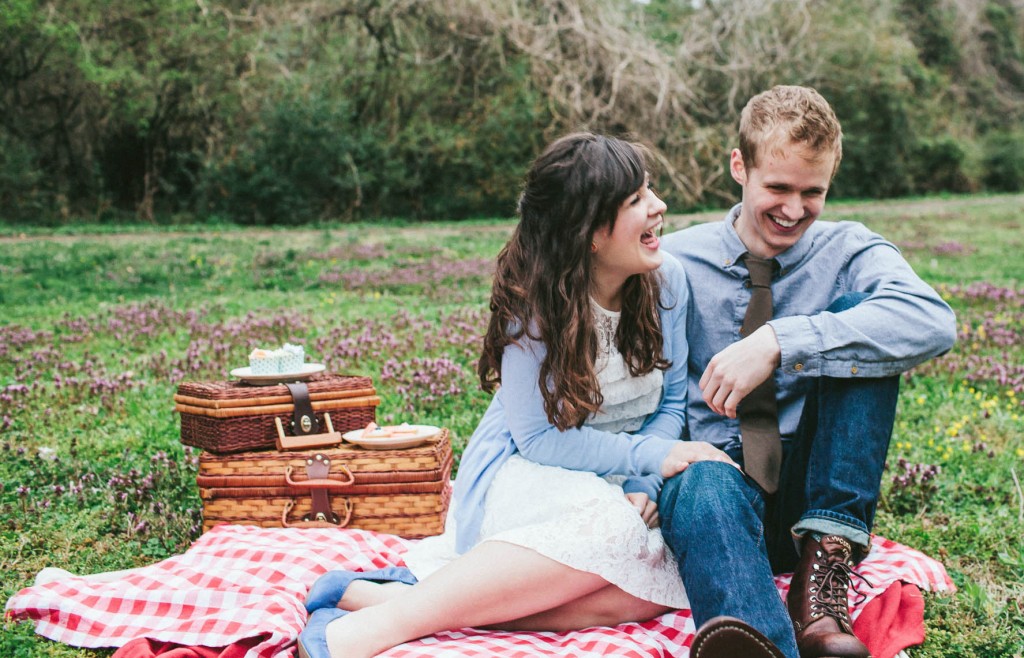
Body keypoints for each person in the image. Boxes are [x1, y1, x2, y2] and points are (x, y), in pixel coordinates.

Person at [294, 132, 738, 658]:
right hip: (525, 472)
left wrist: (642, 476)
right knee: (618, 534)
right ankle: (370, 631)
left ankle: (376, 600)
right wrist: (651, 457)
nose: (659, 207)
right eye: (637, 200)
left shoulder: (669, 283)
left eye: (650, 191)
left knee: (666, 584)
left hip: (622, 479)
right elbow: (538, 440)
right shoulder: (533, 305)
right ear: (591, 233)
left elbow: (668, 407)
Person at [657, 85, 958, 658]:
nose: (794, 210)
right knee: (701, 478)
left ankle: (821, 594)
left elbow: (931, 321)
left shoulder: (847, 250)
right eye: (777, 187)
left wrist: (780, 339)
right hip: (713, 493)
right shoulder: (675, 260)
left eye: (812, 192)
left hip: (816, 497)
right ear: (739, 166)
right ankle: (766, 644)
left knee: (860, 321)